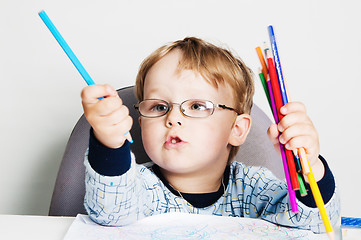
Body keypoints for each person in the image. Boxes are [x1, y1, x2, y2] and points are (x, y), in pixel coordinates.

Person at [81, 37, 340, 233]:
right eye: (159, 107)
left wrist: (310, 164)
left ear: (236, 130)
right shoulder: (139, 187)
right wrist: (111, 142)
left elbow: (312, 224)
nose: (173, 118)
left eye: (196, 106)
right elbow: (110, 211)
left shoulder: (254, 186)